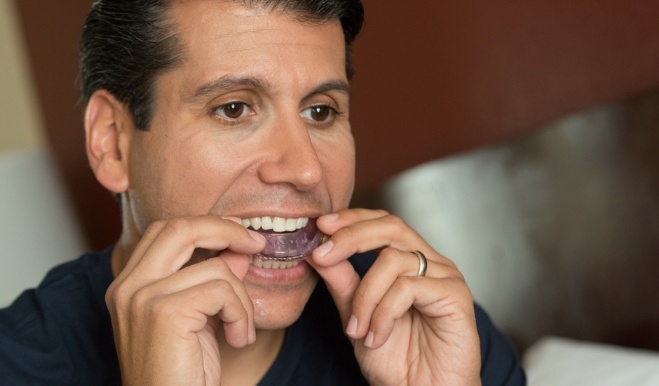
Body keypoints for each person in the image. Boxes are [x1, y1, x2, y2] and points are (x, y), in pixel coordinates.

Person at [0, 0, 526, 384]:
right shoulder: (17, 364)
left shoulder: (420, 321)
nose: (304, 170)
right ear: (113, 144)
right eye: (233, 109)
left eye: (321, 112)